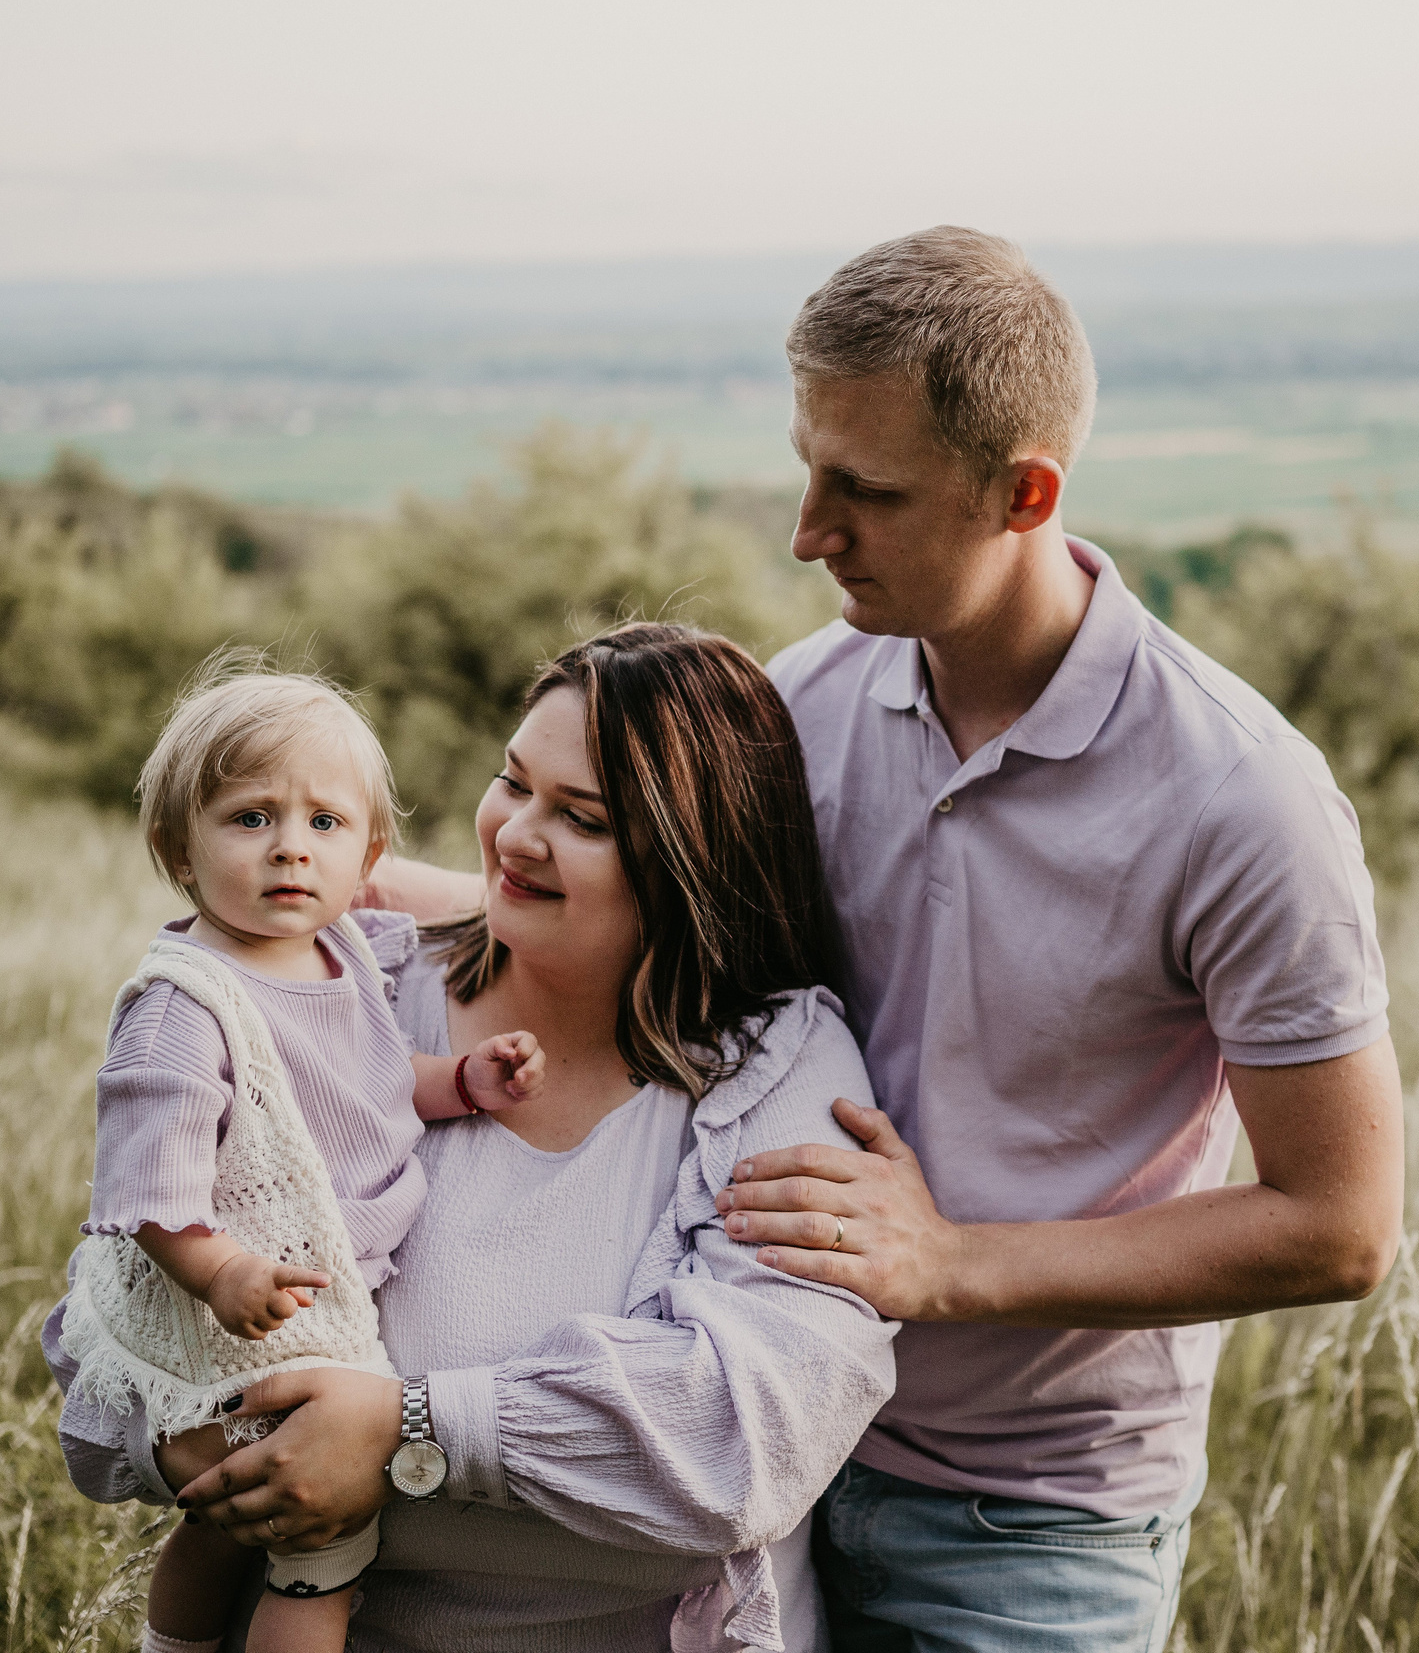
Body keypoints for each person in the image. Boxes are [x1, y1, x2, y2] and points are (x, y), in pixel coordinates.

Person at [713, 227, 1407, 1652]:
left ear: (1023, 493)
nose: (808, 530)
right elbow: (635, 935)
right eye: (808, 466)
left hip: (1037, 1526)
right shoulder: (804, 700)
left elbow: (1341, 1228)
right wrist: (318, 893)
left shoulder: (1243, 799)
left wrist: (948, 1263)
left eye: (868, 490)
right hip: (761, 1448)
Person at [120, 624, 900, 1653]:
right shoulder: (340, 991)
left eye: (581, 817)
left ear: (691, 859)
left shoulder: (778, 1066)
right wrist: (199, 1435)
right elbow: (116, 1356)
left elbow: (746, 1435)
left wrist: (406, 1428)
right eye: (512, 782)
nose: (514, 835)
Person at [48, 663, 550, 1653]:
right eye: (249, 818)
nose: (290, 848)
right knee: (320, 1540)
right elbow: (152, 1191)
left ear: (367, 850)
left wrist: (464, 1083)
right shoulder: (186, 1009)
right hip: (243, 1326)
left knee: (234, 1516)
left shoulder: (346, 953)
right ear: (174, 844)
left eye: (324, 823)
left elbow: (371, 1079)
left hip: (323, 1304)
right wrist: (223, 1270)